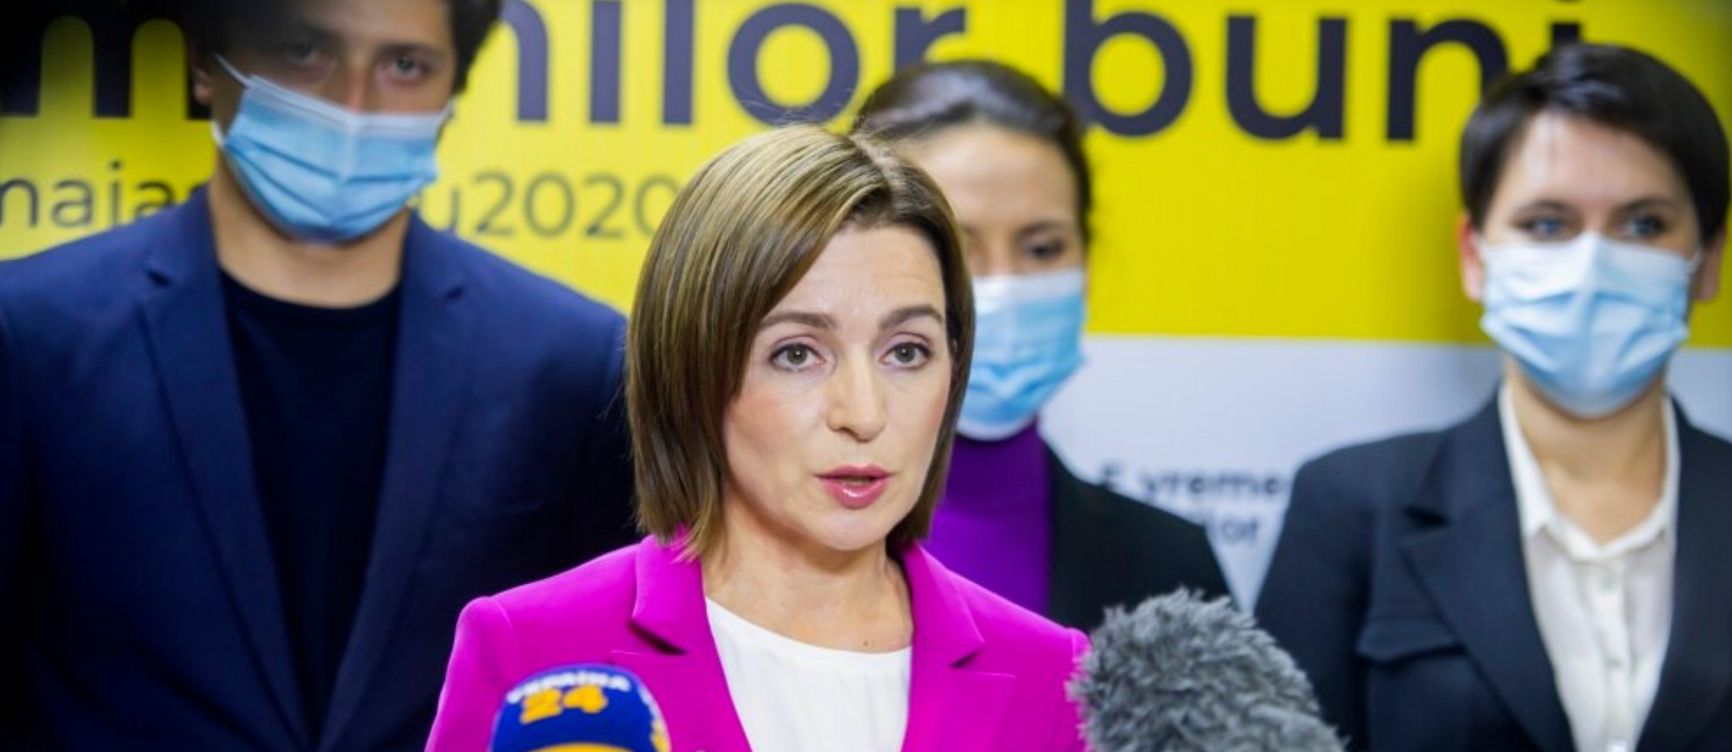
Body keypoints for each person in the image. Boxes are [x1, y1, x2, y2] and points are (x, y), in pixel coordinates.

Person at [0, 0, 636, 748]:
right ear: (206, 62)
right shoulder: (31, 335)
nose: (352, 104)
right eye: (305, 51)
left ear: (453, 89)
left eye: (405, 65)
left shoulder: (571, 363)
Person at [426, 125, 1089, 752]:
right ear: (693, 368)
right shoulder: (532, 649)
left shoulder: (1054, 677)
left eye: (906, 351)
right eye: (798, 354)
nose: (864, 413)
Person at [1256, 43, 1731, 751]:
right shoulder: (1351, 507)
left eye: (1643, 224)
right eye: (1547, 223)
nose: (1592, 263)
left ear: (1708, 259)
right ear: (1474, 255)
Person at [852, 61, 1228, 629]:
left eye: (1043, 248)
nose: (1003, 285)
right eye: (957, 246)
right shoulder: (744, 550)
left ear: (1086, 263)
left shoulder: (1172, 564)